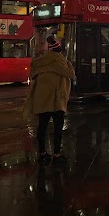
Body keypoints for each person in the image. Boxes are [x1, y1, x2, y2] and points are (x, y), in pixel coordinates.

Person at [24, 36, 75, 164]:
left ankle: (42, 153)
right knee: (58, 129)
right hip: (57, 101)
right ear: (59, 50)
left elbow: (33, 77)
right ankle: (57, 154)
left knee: (42, 127)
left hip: (42, 100)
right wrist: (68, 62)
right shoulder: (61, 62)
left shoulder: (40, 62)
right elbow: (71, 75)